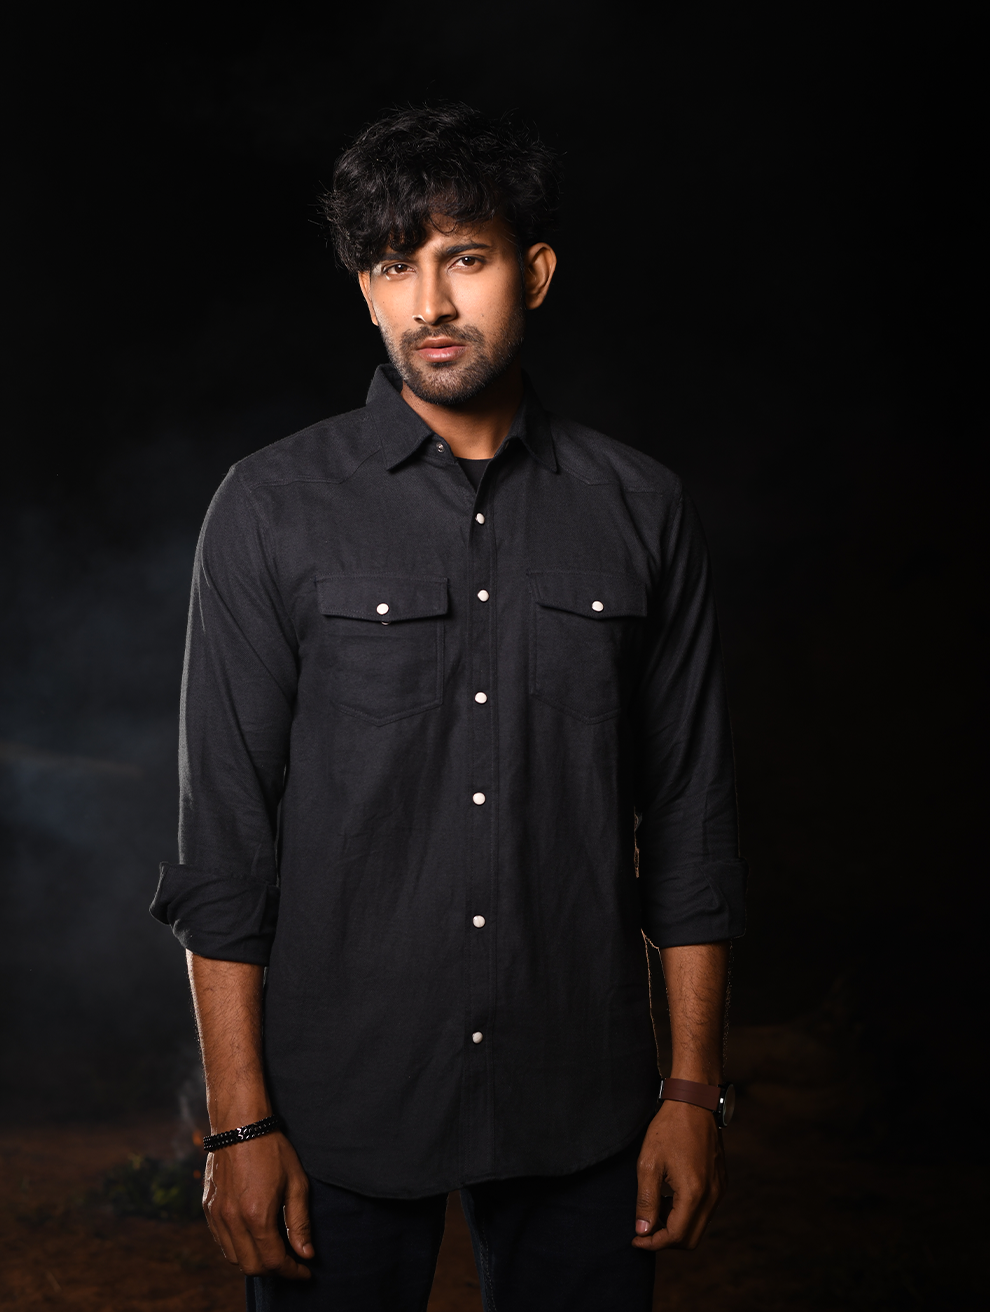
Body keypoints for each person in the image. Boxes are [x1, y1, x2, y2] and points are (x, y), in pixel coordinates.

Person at [151, 102, 747, 1312]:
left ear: (536, 271)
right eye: (391, 265)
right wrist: (239, 1122)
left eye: (464, 257)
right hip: (337, 1102)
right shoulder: (268, 507)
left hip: (583, 1100)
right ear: (364, 291)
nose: (428, 300)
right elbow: (225, 845)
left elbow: (691, 826)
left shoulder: (642, 508)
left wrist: (692, 1092)